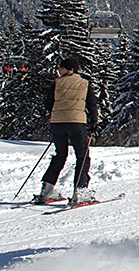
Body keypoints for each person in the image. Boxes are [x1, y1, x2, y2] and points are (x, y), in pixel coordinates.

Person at [33, 56, 99, 205]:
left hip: (57, 123)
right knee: (82, 156)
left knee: (60, 155)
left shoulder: (56, 83)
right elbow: (92, 104)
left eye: (61, 68)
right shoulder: (84, 83)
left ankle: (47, 189)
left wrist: (59, 113)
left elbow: (48, 104)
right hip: (76, 122)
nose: (58, 70)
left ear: (67, 69)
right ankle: (80, 191)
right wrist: (94, 122)